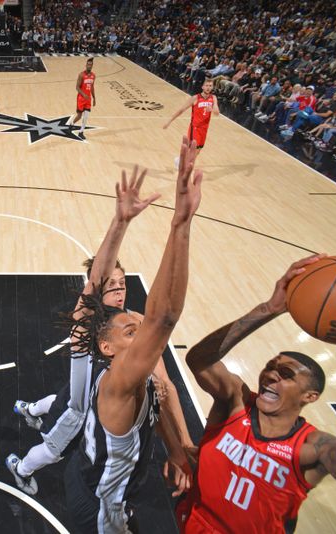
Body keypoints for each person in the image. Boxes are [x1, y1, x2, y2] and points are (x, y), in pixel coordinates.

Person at [176, 255, 336, 533]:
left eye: (286, 375)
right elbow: (200, 360)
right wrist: (269, 309)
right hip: (188, 523)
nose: (272, 374)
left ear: (310, 396)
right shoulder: (236, 403)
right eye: (271, 367)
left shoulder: (312, 446)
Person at [65, 137, 203, 533]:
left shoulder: (130, 334)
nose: (119, 288)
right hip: (95, 473)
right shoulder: (87, 331)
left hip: (101, 451)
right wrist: (128, 223)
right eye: (114, 283)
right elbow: (102, 285)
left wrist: (178, 449)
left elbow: (163, 391)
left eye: (124, 283)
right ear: (106, 346)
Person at [9, 253, 194, 495]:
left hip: (104, 409)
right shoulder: (89, 325)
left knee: (59, 398)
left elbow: (165, 384)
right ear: (97, 290)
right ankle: (20, 468)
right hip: (80, 407)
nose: (119, 292)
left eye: (122, 285)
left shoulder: (137, 322)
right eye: (111, 287)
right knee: (53, 451)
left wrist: (186, 441)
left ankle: (30, 409)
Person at [163, 79, 219, 166]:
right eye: (207, 85)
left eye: (210, 86)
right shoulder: (195, 98)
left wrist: (211, 109)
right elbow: (181, 110)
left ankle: (180, 160)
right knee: (193, 150)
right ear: (202, 87)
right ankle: (184, 166)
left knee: (198, 151)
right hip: (195, 127)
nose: (208, 87)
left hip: (204, 129)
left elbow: (217, 113)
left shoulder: (213, 98)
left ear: (212, 87)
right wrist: (169, 121)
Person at [70, 58, 96, 140]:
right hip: (81, 98)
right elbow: (77, 87)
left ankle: (81, 132)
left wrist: (94, 98)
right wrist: (84, 94)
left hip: (88, 99)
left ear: (92, 66)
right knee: (79, 116)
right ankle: (72, 123)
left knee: (86, 117)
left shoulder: (93, 76)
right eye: (88, 64)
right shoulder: (81, 75)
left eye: (90, 64)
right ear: (86, 65)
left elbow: (92, 87)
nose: (89, 66)